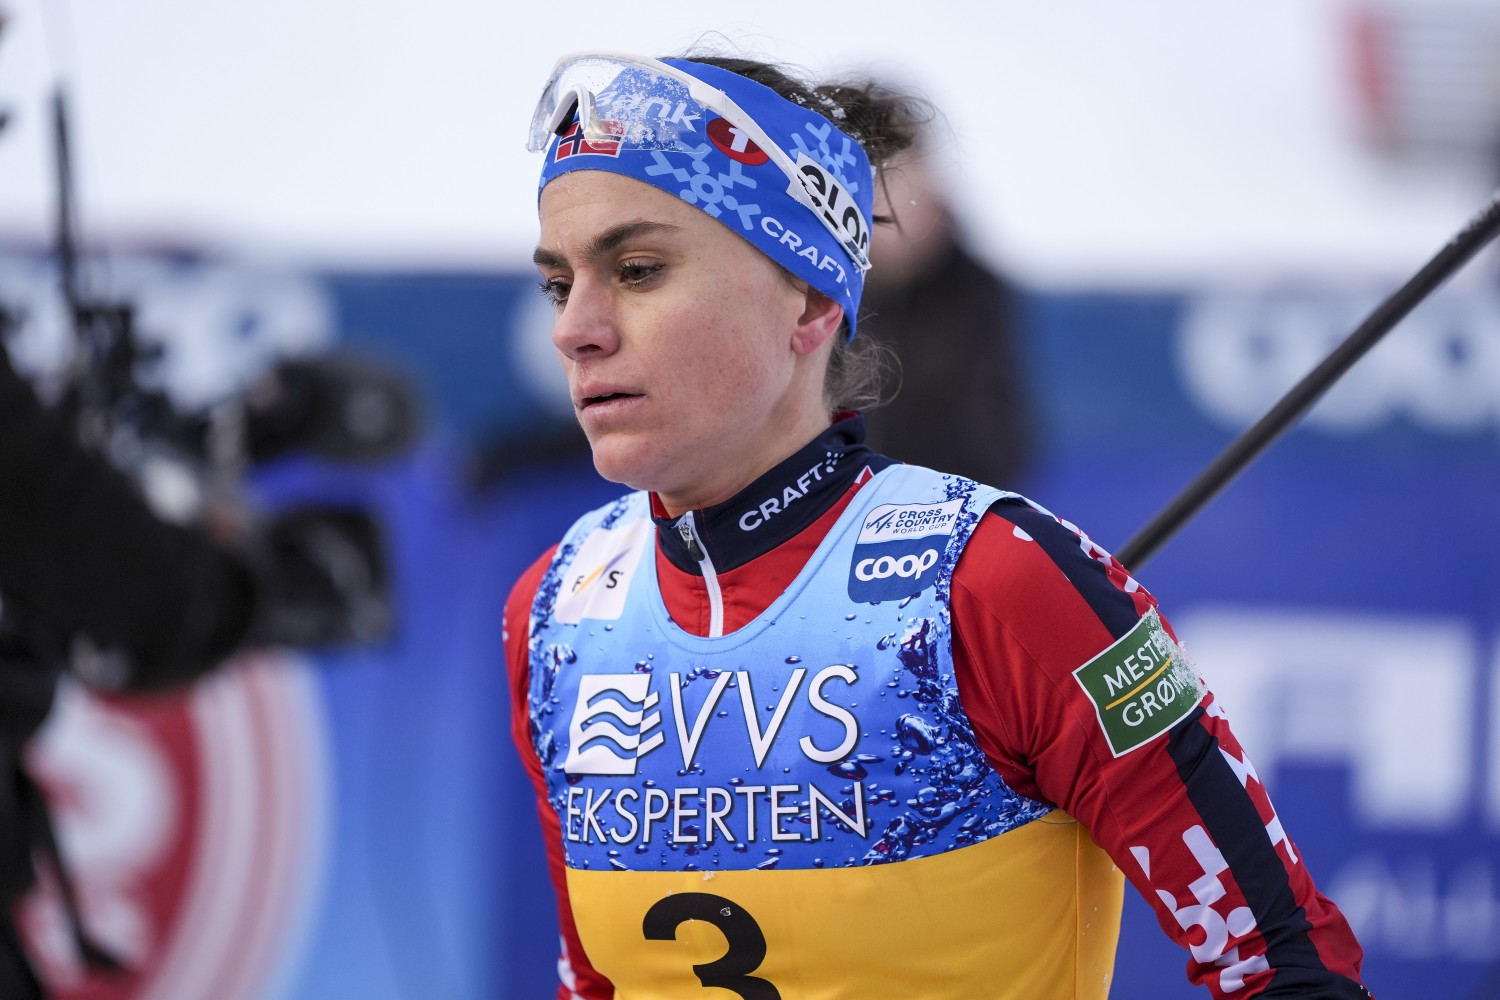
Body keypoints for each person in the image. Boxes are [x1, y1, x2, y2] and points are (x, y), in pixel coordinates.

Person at [504, 51, 1372, 999]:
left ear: (810, 298)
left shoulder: (996, 584)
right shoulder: (560, 608)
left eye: (637, 270)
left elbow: (1287, 965)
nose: (573, 329)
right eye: (559, 284)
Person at [860, 115, 1035, 489]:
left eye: (899, 180)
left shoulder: (976, 293)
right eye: (872, 185)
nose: (887, 205)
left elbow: (1001, 441)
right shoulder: (812, 290)